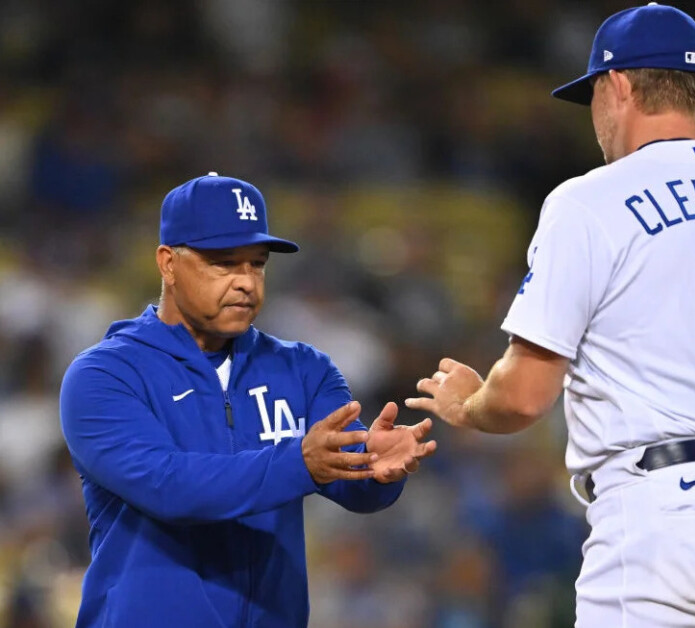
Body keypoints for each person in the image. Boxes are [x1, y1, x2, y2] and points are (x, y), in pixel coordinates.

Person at [406, 4, 695, 627]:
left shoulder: (590, 200)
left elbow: (524, 397)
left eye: (593, 94)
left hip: (664, 515)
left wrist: (470, 405)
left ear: (617, 85)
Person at [60, 172, 437, 627]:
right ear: (168, 263)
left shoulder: (304, 369)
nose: (246, 282)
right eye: (223, 263)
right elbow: (169, 488)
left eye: (256, 264)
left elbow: (346, 481)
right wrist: (299, 464)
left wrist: (376, 470)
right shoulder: (106, 374)